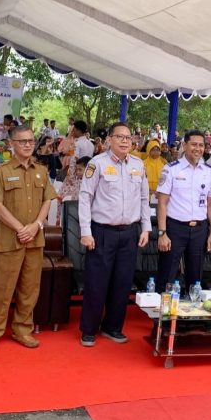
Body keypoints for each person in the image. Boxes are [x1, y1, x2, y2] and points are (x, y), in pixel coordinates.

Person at [0, 125, 57, 352]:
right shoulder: (2, 171)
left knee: (29, 289)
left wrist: (36, 226)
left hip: (35, 239)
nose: (27, 145)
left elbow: (47, 200)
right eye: (22, 141)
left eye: (31, 141)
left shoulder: (41, 170)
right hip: (9, 240)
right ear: (11, 144)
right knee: (2, 289)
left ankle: (23, 330)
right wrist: (20, 228)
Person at [78, 122, 151, 347]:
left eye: (128, 137)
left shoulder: (138, 165)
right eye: (119, 137)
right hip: (102, 232)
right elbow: (85, 198)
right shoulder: (96, 164)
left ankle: (112, 327)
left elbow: (144, 199)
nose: (124, 141)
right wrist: (86, 232)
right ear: (109, 139)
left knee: (122, 283)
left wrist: (146, 227)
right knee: (97, 282)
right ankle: (89, 329)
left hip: (129, 233)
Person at [155, 130, 211, 293]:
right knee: (166, 276)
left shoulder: (209, 171)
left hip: (200, 229)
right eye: (194, 144)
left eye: (201, 145)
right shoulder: (171, 169)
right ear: (184, 145)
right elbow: (162, 203)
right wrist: (162, 233)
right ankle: (163, 317)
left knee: (195, 279)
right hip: (175, 228)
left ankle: (190, 316)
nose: (198, 148)